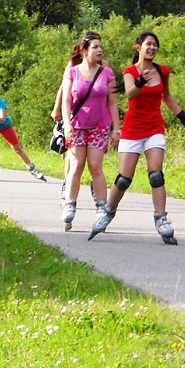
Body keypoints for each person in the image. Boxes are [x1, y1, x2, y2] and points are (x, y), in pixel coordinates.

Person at [89, 30, 185, 245]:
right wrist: (140, 82)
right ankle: (108, 212)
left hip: (154, 128)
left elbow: (167, 97)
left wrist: (184, 119)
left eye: (155, 45)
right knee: (124, 179)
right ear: (138, 47)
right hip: (132, 130)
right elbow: (130, 93)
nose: (152, 48)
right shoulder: (130, 72)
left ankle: (161, 219)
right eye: (148, 44)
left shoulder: (162, 71)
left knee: (156, 175)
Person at [58, 32, 119, 231]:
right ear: (85, 51)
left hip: (99, 125)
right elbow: (66, 100)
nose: (99, 50)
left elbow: (112, 102)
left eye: (100, 46)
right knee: (76, 166)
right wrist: (66, 124)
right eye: (95, 47)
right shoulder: (73, 72)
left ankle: (102, 209)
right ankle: (69, 205)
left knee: (95, 166)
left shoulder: (107, 73)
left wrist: (116, 129)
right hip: (76, 125)